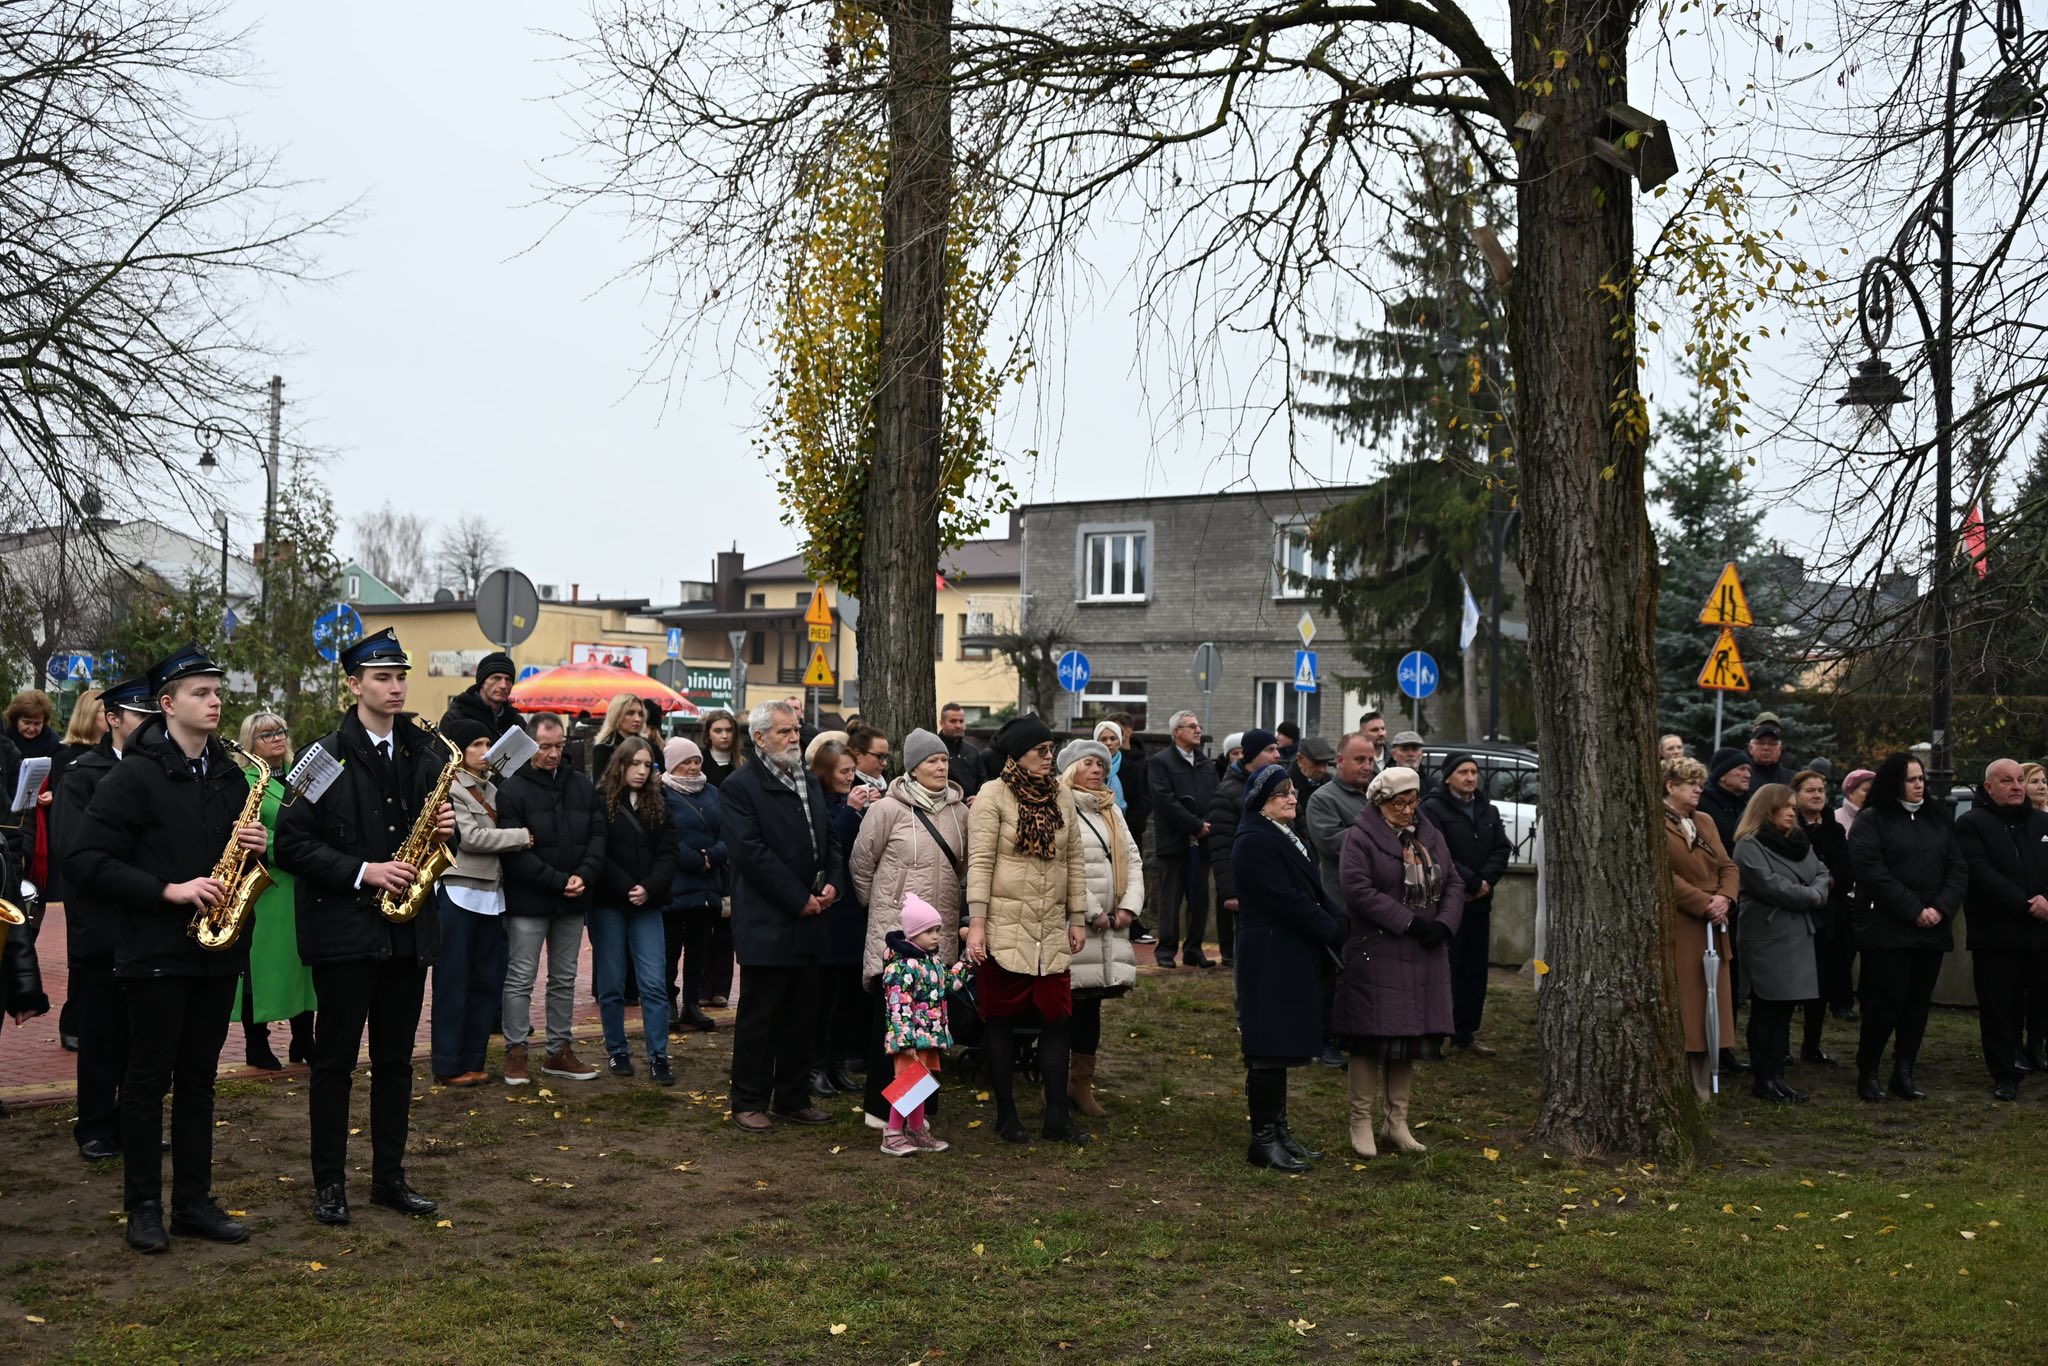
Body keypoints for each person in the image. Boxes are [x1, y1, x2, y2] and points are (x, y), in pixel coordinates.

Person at [66, 644, 266, 1252]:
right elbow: (85, 861)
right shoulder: (136, 774)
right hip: (154, 949)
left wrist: (255, 844)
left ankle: (194, 1203)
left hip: (216, 946)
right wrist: (168, 890)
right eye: (201, 693)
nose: (214, 702)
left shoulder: (232, 772)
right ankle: (144, 1208)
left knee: (200, 1081)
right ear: (167, 703)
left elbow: (241, 858)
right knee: (148, 1080)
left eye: (217, 692)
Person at [277, 627, 455, 1226]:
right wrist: (362, 871)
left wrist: (444, 831)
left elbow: (432, 827)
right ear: (354, 685)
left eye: (401, 676)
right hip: (345, 934)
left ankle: (389, 1178)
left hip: (406, 933)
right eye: (382, 677)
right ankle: (329, 1183)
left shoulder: (427, 753)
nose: (396, 686)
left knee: (397, 1063)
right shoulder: (321, 757)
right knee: (334, 1065)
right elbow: (289, 842)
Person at [964, 714, 1090, 1144]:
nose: (1049, 757)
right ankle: (1007, 1115)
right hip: (1004, 925)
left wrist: (1077, 917)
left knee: (1057, 1021)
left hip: (1050, 927)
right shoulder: (992, 796)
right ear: (1018, 754)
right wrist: (977, 924)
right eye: (1041, 750)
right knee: (1000, 1020)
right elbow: (979, 863)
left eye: (1052, 750)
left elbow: (1074, 859)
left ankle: (1056, 1117)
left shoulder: (1063, 796)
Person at [723, 700, 840, 1132]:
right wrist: (797, 898)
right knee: (761, 1018)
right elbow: (750, 855)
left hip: (812, 916)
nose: (794, 739)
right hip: (767, 920)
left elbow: (830, 840)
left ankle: (793, 1096)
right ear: (759, 738)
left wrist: (834, 885)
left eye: (796, 731)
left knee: (802, 1015)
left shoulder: (808, 781)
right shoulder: (740, 787)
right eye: (784, 732)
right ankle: (748, 1099)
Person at [1336, 765, 1464, 1156]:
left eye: (1413, 802)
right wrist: (1409, 922)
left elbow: (1454, 881)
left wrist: (1443, 924)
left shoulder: (1430, 835)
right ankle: (1361, 1121)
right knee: (1369, 1038)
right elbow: (1358, 890)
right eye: (1398, 803)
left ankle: (1397, 1122)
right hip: (1379, 950)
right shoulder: (1360, 838)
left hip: (1423, 953)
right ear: (1380, 803)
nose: (1408, 810)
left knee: (1409, 1036)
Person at [52, 676, 154, 1160]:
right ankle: (94, 1124)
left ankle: (133, 1122)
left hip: (151, 924)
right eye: (139, 717)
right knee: (101, 1033)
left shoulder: (159, 771)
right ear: (112, 719)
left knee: (143, 1037)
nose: (149, 726)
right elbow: (76, 854)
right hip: (103, 925)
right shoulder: (83, 772)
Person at [851, 727, 967, 1129]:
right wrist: (886, 910)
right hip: (897, 936)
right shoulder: (887, 809)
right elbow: (861, 866)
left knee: (928, 1027)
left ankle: (916, 1112)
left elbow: (965, 869)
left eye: (944, 760)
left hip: (940, 935)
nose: (940, 766)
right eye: (932, 761)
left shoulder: (959, 812)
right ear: (913, 768)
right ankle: (880, 1112)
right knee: (894, 1026)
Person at [1232, 765, 1343, 1171]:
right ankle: (1262, 1141)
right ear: (1262, 802)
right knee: (1266, 1046)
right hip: (1269, 951)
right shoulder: (1253, 841)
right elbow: (1284, 899)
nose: (1293, 799)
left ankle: (1280, 1131)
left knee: (1278, 1046)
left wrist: (1337, 919)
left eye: (1293, 791)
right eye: (1283, 794)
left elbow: (1311, 889)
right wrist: (1330, 928)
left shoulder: (1281, 833)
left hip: (1287, 949)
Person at [1847, 752, 1966, 1104]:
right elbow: (1871, 870)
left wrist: (1940, 909)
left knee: (1917, 1004)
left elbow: (1957, 868)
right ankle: (1868, 1070)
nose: (1919, 785)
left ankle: (1904, 1071)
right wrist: (1914, 909)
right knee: (1886, 1002)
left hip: (1931, 928)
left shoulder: (1937, 818)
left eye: (1921, 779)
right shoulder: (1873, 819)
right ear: (1894, 783)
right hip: (1888, 928)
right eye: (1911, 779)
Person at [497, 713, 606, 1085]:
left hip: (573, 897)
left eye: (559, 745)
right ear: (530, 745)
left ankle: (559, 1049)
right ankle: (516, 1051)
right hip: (530, 898)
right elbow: (515, 850)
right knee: (521, 978)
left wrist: (584, 876)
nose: (554, 753)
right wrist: (560, 881)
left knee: (564, 978)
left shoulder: (581, 785)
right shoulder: (511, 789)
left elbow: (597, 834)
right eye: (545, 747)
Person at [430, 716, 527, 1087]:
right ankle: (446, 1062)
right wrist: (522, 836)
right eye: (476, 745)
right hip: (458, 891)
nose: (485, 753)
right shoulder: (451, 788)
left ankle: (472, 1059)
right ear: (458, 750)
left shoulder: (492, 789)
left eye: (488, 744)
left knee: (487, 981)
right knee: (454, 981)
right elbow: (470, 838)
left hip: (492, 893)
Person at [1953, 758, 2048, 1102]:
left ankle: (2032, 1051)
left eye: (2020, 779)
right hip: (1997, 935)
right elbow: (1980, 874)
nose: (2017, 786)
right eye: (2007, 781)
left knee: (2038, 999)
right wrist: (2026, 904)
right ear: (1989, 787)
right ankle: (2005, 1073)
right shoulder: (1971, 824)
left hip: (2041, 933)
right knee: (1999, 1007)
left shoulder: (2042, 822)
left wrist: (2046, 901)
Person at [1059, 737, 1143, 1120]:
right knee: (1065, 1006)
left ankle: (1081, 1085)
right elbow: (1064, 865)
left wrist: (1129, 907)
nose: (1097, 771)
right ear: (1071, 768)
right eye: (1089, 763)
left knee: (1091, 1006)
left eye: (1102, 765)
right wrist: (1090, 911)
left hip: (1112, 925)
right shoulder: (1061, 807)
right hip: (1077, 923)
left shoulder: (1113, 811)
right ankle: (1055, 1083)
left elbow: (1133, 859)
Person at [1731, 783, 1830, 1104]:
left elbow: (1822, 871)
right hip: (1767, 938)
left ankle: (1778, 1077)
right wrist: (1812, 895)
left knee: (1785, 1011)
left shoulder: (1798, 842)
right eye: (1785, 806)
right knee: (1766, 1009)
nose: (1792, 811)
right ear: (1767, 809)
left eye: (1792, 806)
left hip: (1797, 936)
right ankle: (1763, 1078)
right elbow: (1771, 886)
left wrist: (1813, 890)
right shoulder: (1749, 846)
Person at [231, 712, 317, 1071]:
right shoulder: (244, 781)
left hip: (304, 883)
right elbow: (242, 834)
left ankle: (303, 1039)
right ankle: (257, 1044)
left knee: (305, 967)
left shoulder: (302, 775)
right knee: (262, 968)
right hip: (268, 888)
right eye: (267, 734)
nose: (277, 738)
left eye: (281, 731)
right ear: (250, 742)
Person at [589, 735, 676, 1084]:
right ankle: (617, 1050)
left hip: (648, 904)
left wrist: (649, 887)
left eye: (648, 765)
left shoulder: (660, 802)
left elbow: (669, 853)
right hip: (608, 903)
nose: (641, 771)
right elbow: (600, 853)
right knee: (611, 983)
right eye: (635, 764)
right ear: (620, 766)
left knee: (654, 983)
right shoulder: (600, 801)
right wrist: (627, 887)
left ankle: (658, 1055)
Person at [1423, 753, 1512, 1056]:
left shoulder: (1488, 809)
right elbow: (1436, 852)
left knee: (1474, 971)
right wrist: (1472, 882)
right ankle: (1436, 1033)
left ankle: (1465, 1032)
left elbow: (1502, 848)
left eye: (1474, 772)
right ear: (1448, 776)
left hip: (1479, 904)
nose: (1471, 777)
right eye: (1463, 771)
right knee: (1445, 968)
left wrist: (1486, 882)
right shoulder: (1432, 809)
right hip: (1448, 903)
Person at [1662, 756, 1738, 1100]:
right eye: (1690, 783)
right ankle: (1682, 1082)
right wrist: (1703, 903)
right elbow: (1663, 873)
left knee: (1713, 1002)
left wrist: (1725, 899)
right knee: (1688, 1001)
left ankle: (1705, 1081)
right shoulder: (1655, 823)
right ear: (1670, 786)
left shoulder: (1704, 821)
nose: (1698, 790)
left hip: (1714, 925)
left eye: (1700, 784)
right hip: (1683, 924)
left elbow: (1728, 865)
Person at [877, 892, 974, 1156]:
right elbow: (898, 1004)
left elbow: (948, 984)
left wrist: (968, 961)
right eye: (929, 930)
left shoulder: (930, 962)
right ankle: (892, 1133)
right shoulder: (901, 967)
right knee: (907, 1083)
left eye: (937, 930)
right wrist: (904, 1039)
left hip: (929, 1036)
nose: (936, 936)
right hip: (911, 1039)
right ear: (912, 933)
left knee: (920, 1082)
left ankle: (916, 1129)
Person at [1304, 733, 1376, 1068]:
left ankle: (1356, 1033)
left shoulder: (1375, 797)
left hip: (1374, 902)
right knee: (1332, 974)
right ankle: (1323, 1040)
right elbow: (1331, 842)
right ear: (1340, 761)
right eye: (1359, 759)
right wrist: (1379, 828)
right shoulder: (1324, 798)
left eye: (1371, 759)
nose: (1367, 766)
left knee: (1364, 974)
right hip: (1338, 900)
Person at [807, 739, 871, 1097]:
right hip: (830, 909)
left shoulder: (850, 803)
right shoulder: (819, 805)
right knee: (824, 996)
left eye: (852, 771)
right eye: (844, 771)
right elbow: (833, 843)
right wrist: (850, 810)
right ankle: (816, 1064)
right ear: (826, 772)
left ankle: (836, 1063)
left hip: (852, 908)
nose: (850, 777)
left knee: (847, 993)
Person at [660, 736, 726, 1034]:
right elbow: (663, 837)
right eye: (685, 762)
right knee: (670, 949)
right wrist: (694, 859)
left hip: (707, 885)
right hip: (675, 883)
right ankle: (668, 1003)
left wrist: (713, 855)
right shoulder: (661, 793)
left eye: (696, 761)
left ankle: (692, 1003)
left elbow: (729, 832)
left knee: (699, 948)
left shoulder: (712, 792)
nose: (692, 767)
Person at [1146, 709, 1218, 969]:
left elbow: (1215, 795)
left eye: (1198, 726)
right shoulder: (1161, 762)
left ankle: (1194, 950)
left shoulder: (1205, 763)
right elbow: (1164, 800)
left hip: (1202, 843)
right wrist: (1194, 825)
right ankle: (1166, 950)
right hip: (1175, 842)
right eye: (1191, 726)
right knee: (1171, 899)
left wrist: (1205, 825)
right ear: (1176, 732)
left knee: (1199, 899)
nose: (1198, 730)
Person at [1207, 728, 1280, 970]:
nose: (1277, 755)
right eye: (1270, 750)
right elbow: (1220, 845)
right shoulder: (1227, 794)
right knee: (1249, 958)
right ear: (1250, 755)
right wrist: (1229, 891)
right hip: (1248, 885)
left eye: (1277, 748)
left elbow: (1299, 834)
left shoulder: (1282, 788)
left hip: (1279, 883)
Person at [1793, 769, 1856, 1041]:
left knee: (1824, 980)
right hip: (1798, 913)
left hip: (1832, 914)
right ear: (1795, 796)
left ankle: (1813, 1042)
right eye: (1810, 790)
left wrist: (1827, 882)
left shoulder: (1835, 828)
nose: (1818, 795)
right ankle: (1784, 1048)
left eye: (1821, 790)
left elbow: (1845, 872)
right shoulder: (1789, 827)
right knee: (1795, 982)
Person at [6, 688, 58, 902]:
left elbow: (58, 778)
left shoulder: (53, 744)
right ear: (15, 719)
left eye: (38, 723)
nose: (32, 728)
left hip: (39, 819)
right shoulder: (5, 741)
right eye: (26, 722)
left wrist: (52, 792)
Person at [439, 652, 521, 741]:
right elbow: (442, 753)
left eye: (508, 679)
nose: (503, 685)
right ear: (482, 682)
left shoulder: (517, 722)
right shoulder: (455, 718)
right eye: (496, 678)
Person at [1699, 749, 1752, 851]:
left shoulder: (1749, 803)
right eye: (1741, 769)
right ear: (1722, 775)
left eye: (1749, 770)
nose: (1748, 775)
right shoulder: (1702, 803)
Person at [589, 693, 649, 781]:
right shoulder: (604, 748)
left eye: (640, 714)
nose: (637, 719)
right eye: (630, 713)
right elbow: (600, 786)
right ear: (617, 715)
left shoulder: (649, 746)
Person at [1286, 736, 1336, 836]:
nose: (1322, 770)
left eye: (1325, 763)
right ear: (1300, 759)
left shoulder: (1332, 784)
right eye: (1316, 763)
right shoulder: (1285, 787)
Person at [937, 703, 986, 800]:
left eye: (961, 721)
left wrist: (978, 797)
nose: (958, 725)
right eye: (953, 721)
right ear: (942, 723)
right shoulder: (935, 750)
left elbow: (983, 779)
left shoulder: (972, 751)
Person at [1745, 714, 1799, 788]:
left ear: (1780, 749)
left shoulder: (1793, 779)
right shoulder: (1743, 778)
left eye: (1772, 744)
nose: (1766, 748)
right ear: (1750, 748)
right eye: (1761, 743)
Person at [700, 709, 744, 788]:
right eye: (718, 731)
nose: (724, 736)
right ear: (708, 734)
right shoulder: (699, 763)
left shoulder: (743, 763)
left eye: (729, 730)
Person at [849, 723, 891, 794]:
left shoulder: (888, 783)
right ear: (857, 755)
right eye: (879, 756)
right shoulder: (847, 789)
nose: (884, 763)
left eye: (886, 757)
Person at [1835, 768, 1875, 833]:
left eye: (1874, 790)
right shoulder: (1835, 819)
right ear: (1850, 793)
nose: (1871, 794)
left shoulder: (1882, 819)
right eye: (1867, 790)